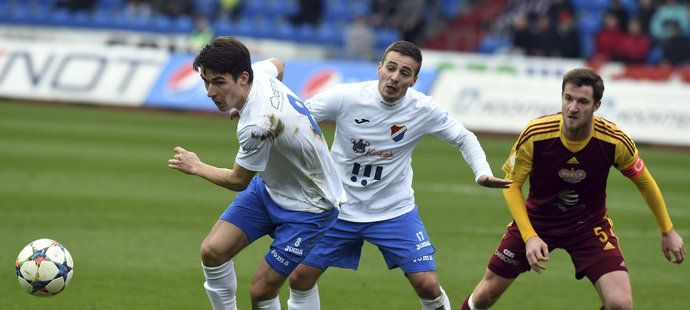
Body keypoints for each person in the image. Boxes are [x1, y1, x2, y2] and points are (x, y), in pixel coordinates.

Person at [285, 40, 512, 310]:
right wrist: (255, 113)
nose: (395, 77)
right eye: (390, 68)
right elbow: (295, 116)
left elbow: (464, 137)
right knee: (300, 278)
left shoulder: (423, 109)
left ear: (414, 80)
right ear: (379, 67)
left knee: (428, 285)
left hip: (393, 211)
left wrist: (482, 173)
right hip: (340, 207)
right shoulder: (346, 96)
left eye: (405, 73)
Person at [460, 68, 685, 310]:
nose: (573, 107)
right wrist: (530, 236)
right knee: (485, 296)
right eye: (568, 98)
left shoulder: (614, 140)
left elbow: (645, 182)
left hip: (588, 226)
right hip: (537, 221)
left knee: (621, 304)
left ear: (596, 105)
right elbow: (512, 186)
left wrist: (667, 230)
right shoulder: (536, 133)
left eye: (582, 101)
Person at [167, 36, 345, 310]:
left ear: (242, 77)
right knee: (212, 251)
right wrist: (251, 106)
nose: (210, 91)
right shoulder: (259, 75)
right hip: (271, 189)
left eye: (218, 82)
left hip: (311, 206)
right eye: (206, 81)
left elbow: (238, 181)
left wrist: (196, 166)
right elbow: (279, 64)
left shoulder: (257, 124)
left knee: (261, 291)